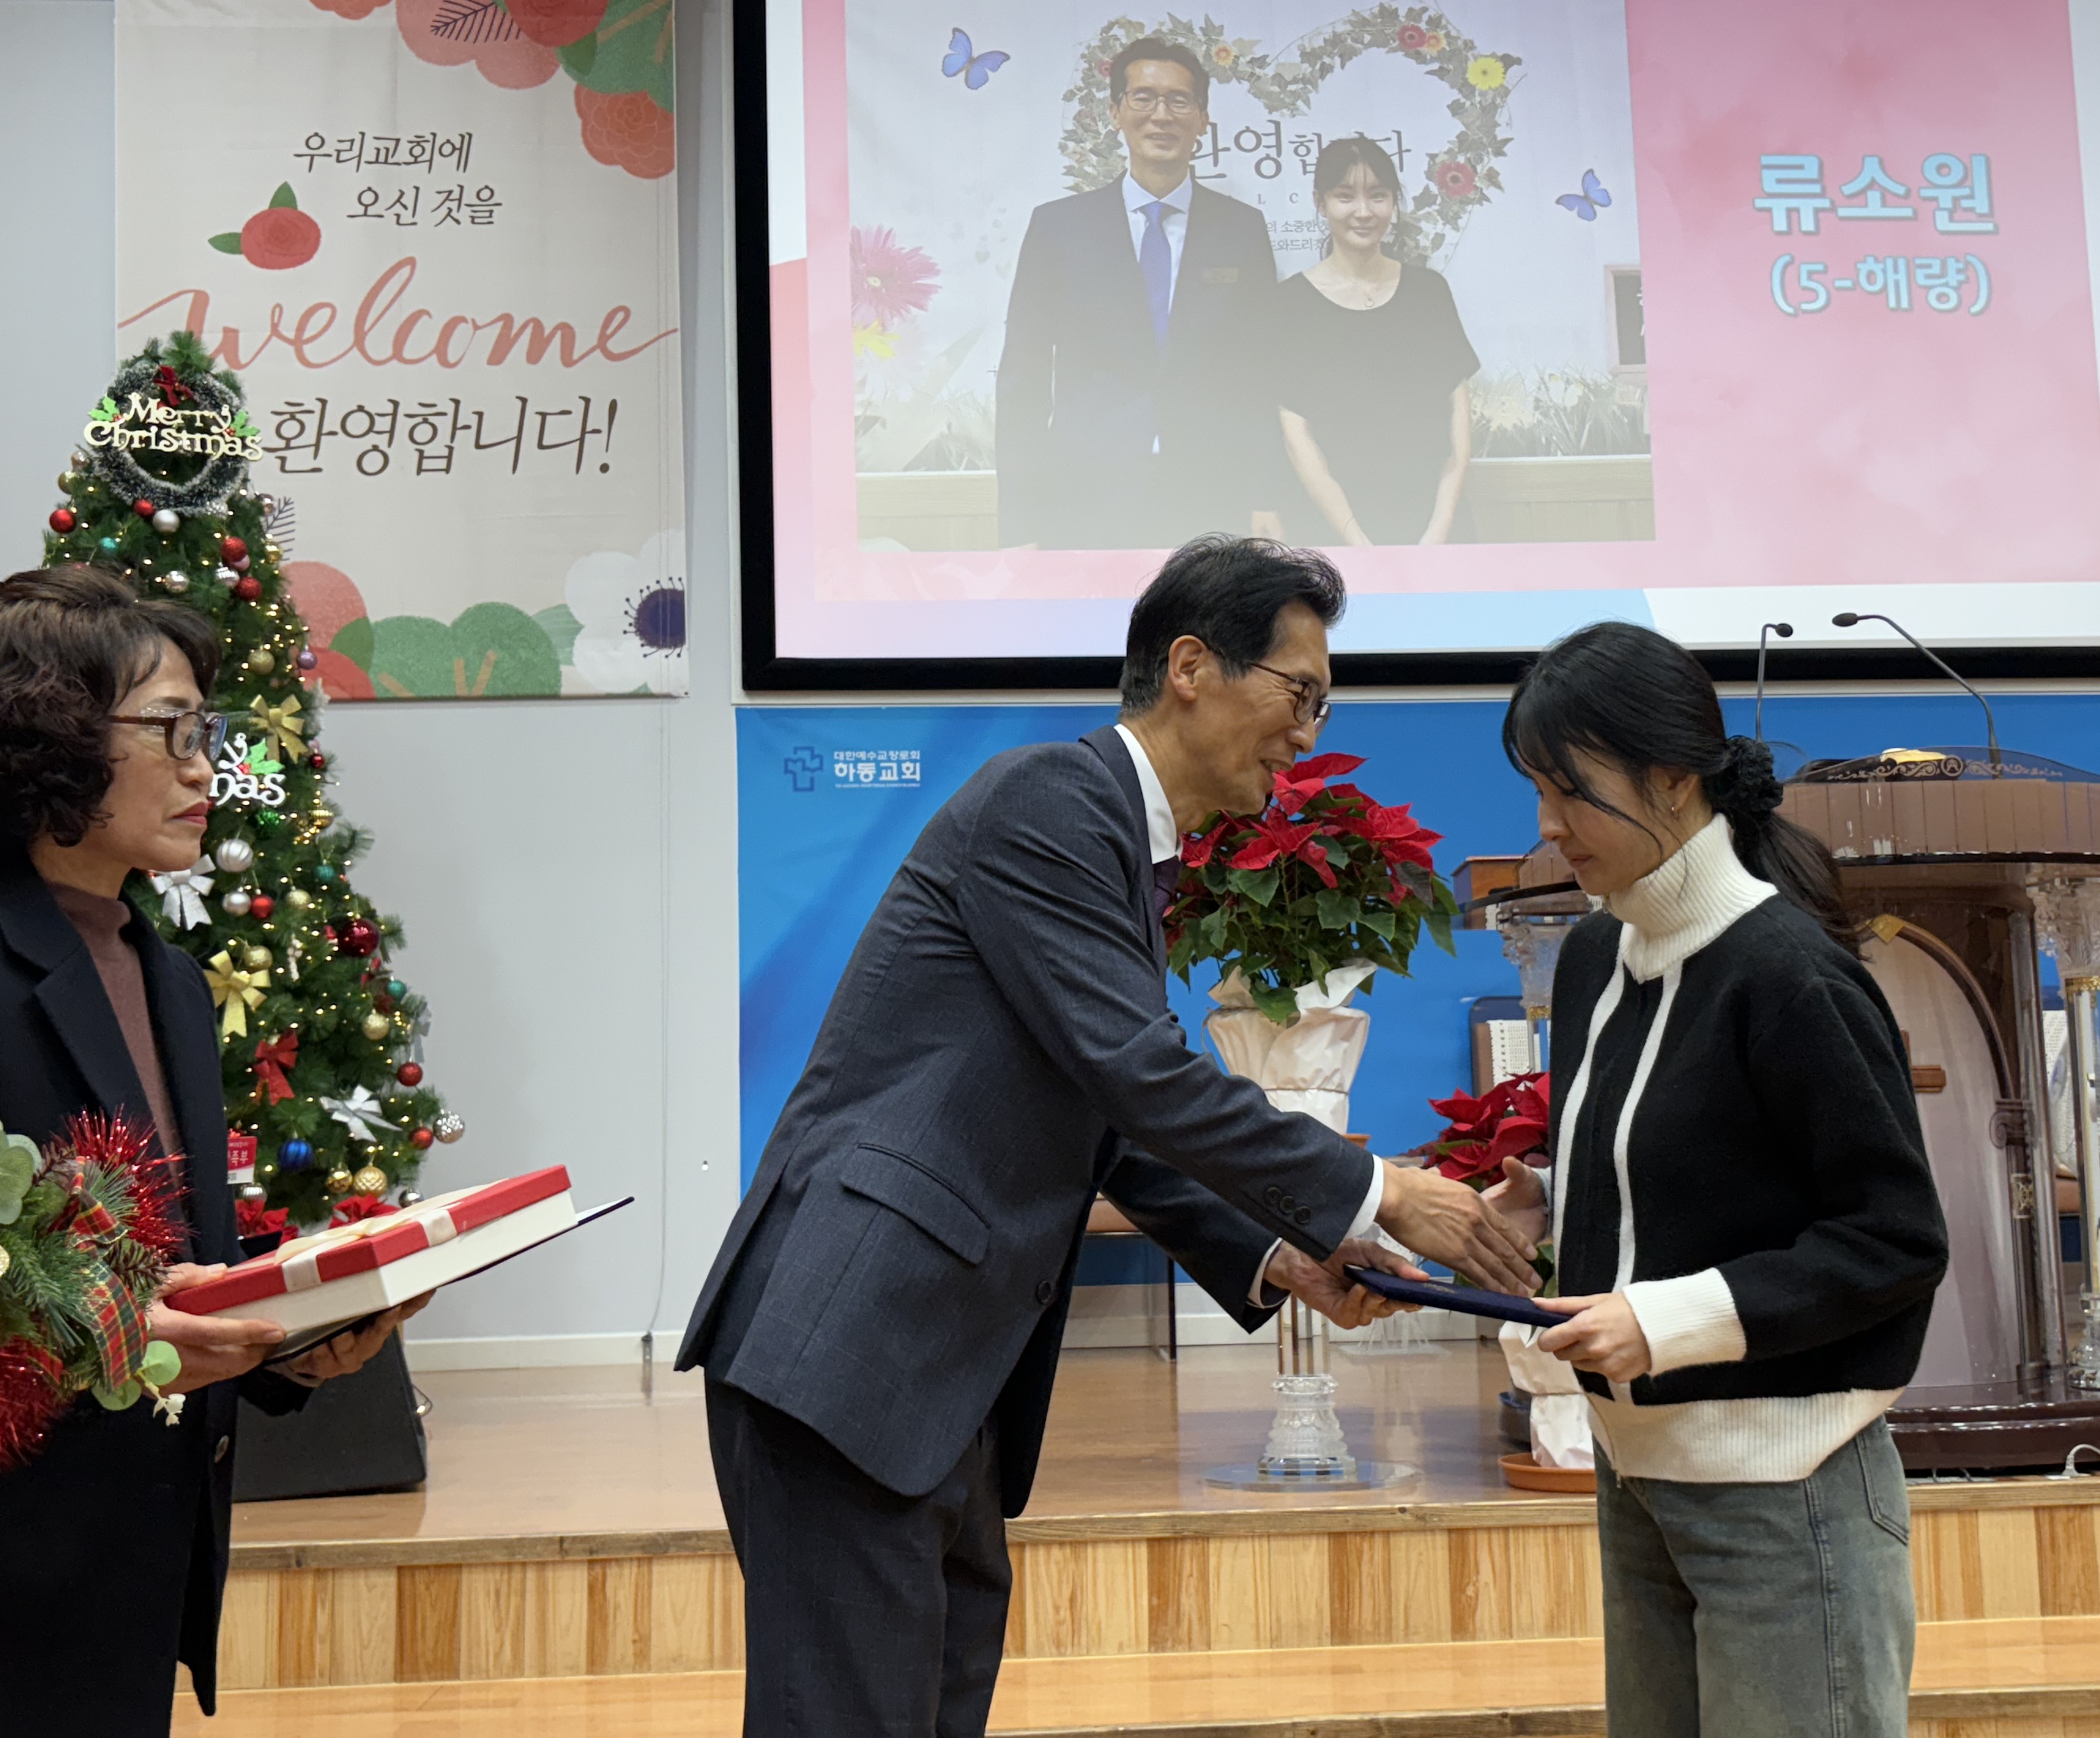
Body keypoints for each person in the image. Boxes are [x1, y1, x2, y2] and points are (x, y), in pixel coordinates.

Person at [679, 537, 1539, 1737]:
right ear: (1190, 667)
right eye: (1298, 693)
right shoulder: (1048, 800)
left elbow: (1107, 1116)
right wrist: (1383, 1192)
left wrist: (1280, 1256)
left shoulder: (1122, 846)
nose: (1306, 732)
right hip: (854, 1349)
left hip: (932, 1371)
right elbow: (1140, 1075)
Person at [1482, 621, 1948, 1738]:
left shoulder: (1789, 976)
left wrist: (1665, 1319)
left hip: (1788, 1493)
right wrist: (1545, 1199)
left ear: (1674, 778)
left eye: (1571, 790)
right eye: (1537, 790)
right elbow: (1694, 1158)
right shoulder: (1594, 956)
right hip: (1635, 1474)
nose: (1547, 825)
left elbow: (1893, 1238)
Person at [0, 564, 429, 1731]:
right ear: (51, 733)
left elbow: (181, 1267)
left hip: (128, 1566)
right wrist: (114, 1337)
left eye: (210, 731)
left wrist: (290, 1345)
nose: (206, 768)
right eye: (174, 729)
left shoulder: (174, 979)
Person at [995, 38, 1286, 549]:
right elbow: (1025, 374)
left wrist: (1266, 495)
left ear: (1203, 119)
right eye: (1144, 98)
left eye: (1179, 100)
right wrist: (1021, 518)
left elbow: (1260, 371)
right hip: (1085, 492)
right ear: (1116, 112)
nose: (1162, 115)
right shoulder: (1058, 228)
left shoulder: (1242, 229)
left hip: (1211, 492)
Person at [1273, 136, 1479, 547]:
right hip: (1333, 536)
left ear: (1394, 202)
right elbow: (1297, 435)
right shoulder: (1288, 304)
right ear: (1320, 202)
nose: (1364, 211)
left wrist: (1438, 532)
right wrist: (1360, 544)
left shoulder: (1429, 292)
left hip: (1436, 529)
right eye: (1345, 196)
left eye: (1378, 196)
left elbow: (1457, 418)